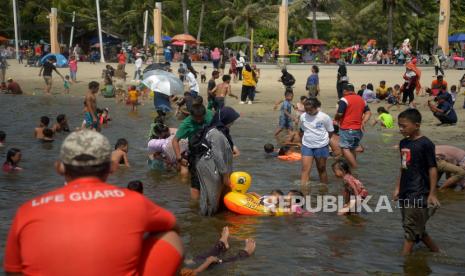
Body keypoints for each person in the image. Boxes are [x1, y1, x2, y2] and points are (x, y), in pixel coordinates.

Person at [4, 130, 183, 275]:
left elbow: (13, 271)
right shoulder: (135, 201)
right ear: (112, 168)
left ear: (59, 168)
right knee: (171, 236)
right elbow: (174, 225)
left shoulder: (26, 211)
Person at [394, 108, 440, 255]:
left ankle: (404, 260)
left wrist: (432, 193)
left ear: (417, 125)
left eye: (404, 125)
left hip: (419, 191)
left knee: (410, 230)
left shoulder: (426, 144)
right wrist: (397, 188)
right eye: (399, 125)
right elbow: (403, 167)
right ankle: (438, 253)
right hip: (405, 191)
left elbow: (432, 168)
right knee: (417, 228)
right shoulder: (403, 143)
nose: (401, 129)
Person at [189, 107, 240, 216]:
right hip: (210, 169)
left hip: (216, 170)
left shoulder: (223, 132)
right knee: (210, 200)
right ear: (226, 119)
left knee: (215, 199)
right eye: (232, 120)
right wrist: (225, 176)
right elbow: (218, 156)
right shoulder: (216, 134)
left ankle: (213, 220)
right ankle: (205, 224)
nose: (233, 123)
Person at [173, 104, 214, 199]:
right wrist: (179, 158)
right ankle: (194, 206)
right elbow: (175, 140)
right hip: (195, 153)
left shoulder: (209, 116)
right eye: (196, 118)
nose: (199, 120)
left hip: (209, 150)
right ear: (191, 115)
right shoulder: (186, 124)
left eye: (201, 117)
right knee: (196, 182)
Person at [180, 227, 256, 276]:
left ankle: (222, 244)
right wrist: (209, 261)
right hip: (194, 269)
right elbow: (195, 272)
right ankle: (245, 254)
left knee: (200, 258)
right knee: (217, 262)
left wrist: (188, 262)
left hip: (188, 265)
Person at [335, 83, 371, 168]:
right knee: (352, 149)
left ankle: (355, 168)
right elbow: (368, 113)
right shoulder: (362, 99)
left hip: (347, 128)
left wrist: (336, 119)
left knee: (345, 148)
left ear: (344, 91)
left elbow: (340, 113)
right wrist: (363, 122)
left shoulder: (344, 99)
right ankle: (352, 168)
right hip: (359, 130)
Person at [300, 98, 334, 185]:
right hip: (307, 145)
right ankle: (303, 191)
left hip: (321, 146)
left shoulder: (324, 117)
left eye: (310, 110)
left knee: (321, 168)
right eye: (306, 109)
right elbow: (303, 130)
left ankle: (324, 189)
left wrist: (324, 142)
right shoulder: (303, 116)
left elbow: (330, 131)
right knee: (305, 169)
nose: (308, 112)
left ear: (316, 107)